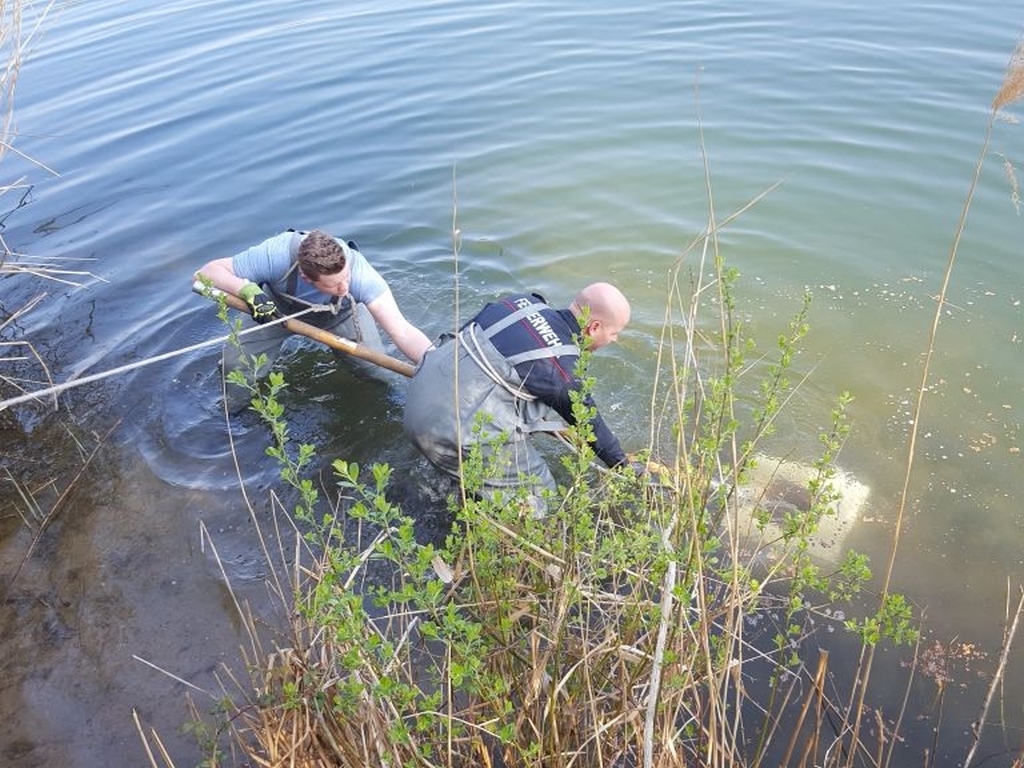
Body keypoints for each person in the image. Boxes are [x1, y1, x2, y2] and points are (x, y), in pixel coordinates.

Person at [404, 282, 632, 512]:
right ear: (594, 327)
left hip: (418, 395)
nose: (614, 339)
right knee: (541, 493)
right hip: (449, 432)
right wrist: (624, 467)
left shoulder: (519, 303)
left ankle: (466, 491)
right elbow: (590, 423)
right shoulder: (561, 368)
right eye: (614, 333)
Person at [195, 229, 433, 399]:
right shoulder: (276, 255)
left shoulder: (362, 275)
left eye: (345, 277)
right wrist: (249, 292)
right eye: (334, 284)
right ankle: (236, 415)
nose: (344, 288)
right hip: (274, 311)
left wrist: (436, 361)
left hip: (341, 314)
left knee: (376, 373)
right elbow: (205, 273)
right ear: (306, 277)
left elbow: (402, 330)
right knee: (236, 368)